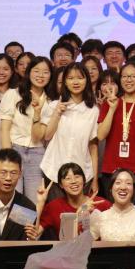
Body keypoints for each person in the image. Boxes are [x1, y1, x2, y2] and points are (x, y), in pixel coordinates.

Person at [40, 64, 100, 195]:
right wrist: (57, 113)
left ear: (87, 80)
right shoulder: (54, 105)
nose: (75, 82)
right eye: (70, 78)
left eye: (80, 78)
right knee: (55, 208)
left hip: (82, 173)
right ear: (65, 82)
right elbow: (47, 136)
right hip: (54, 171)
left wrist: (95, 180)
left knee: (80, 209)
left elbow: (93, 148)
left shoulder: (93, 111)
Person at [0, 57, 53, 198]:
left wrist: (37, 113)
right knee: (12, 197)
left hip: (37, 153)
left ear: (50, 75)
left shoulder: (50, 102)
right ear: (29, 72)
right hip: (14, 149)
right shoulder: (13, 94)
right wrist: (8, 156)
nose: (41, 75)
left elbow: (37, 137)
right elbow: (4, 129)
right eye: (36, 71)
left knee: (33, 200)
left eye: (45, 72)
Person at [97, 61, 135, 194]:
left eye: (133, 76)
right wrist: (112, 109)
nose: (128, 80)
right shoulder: (109, 103)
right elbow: (101, 135)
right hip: (111, 168)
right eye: (125, 76)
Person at [37, 162, 107, 239]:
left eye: (77, 177)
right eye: (68, 178)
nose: (73, 181)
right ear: (61, 184)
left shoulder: (101, 203)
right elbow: (34, 235)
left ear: (84, 180)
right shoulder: (54, 207)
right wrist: (40, 203)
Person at [90, 169, 135, 243]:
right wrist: (83, 210)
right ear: (111, 188)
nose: (123, 187)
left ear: (134, 190)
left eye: (128, 183)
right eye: (118, 183)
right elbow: (83, 245)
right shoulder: (100, 217)